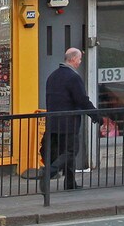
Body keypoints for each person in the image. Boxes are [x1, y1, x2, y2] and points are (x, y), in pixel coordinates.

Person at [39, 47, 98, 189]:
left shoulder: (52, 76)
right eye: (79, 59)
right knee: (71, 151)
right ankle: (49, 172)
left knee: (65, 152)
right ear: (73, 59)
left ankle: (70, 183)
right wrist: (96, 116)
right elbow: (82, 100)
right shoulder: (73, 77)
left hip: (53, 122)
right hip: (68, 122)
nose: (80, 62)